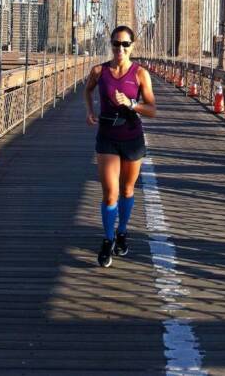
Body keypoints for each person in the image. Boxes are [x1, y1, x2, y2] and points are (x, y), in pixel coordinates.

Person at [84, 25, 156, 267]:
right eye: (116, 43)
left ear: (132, 46)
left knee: (127, 190)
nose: (120, 48)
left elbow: (152, 110)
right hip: (107, 137)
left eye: (125, 44)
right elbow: (87, 91)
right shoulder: (98, 71)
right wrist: (90, 111)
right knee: (110, 193)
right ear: (111, 45)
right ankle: (107, 239)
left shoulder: (140, 74)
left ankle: (122, 232)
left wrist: (132, 103)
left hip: (132, 137)